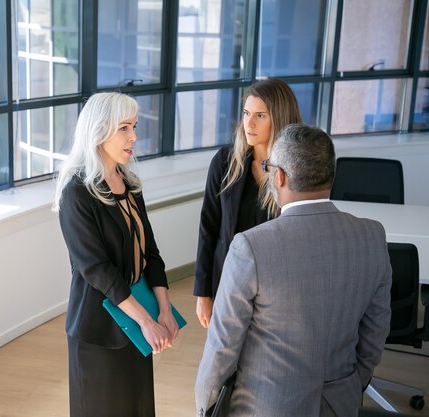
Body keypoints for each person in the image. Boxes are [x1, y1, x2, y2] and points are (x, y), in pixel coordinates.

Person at [194, 124, 392, 417]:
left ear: (280, 176)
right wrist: (349, 386)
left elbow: (223, 345)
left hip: (263, 407)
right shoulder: (372, 237)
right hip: (340, 403)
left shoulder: (250, 247)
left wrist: (204, 406)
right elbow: (375, 333)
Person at [53, 92, 179, 417]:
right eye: (124, 128)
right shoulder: (76, 193)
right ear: (99, 131)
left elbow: (150, 252)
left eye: (134, 126)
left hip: (136, 324)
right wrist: (147, 322)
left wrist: (163, 310)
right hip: (98, 332)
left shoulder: (129, 183)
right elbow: (97, 270)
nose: (134, 136)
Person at [194, 78, 303, 328]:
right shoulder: (225, 162)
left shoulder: (297, 170)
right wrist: (203, 294)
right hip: (229, 283)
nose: (248, 123)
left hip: (277, 290)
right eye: (246, 113)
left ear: (279, 118)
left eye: (260, 115)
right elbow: (208, 230)